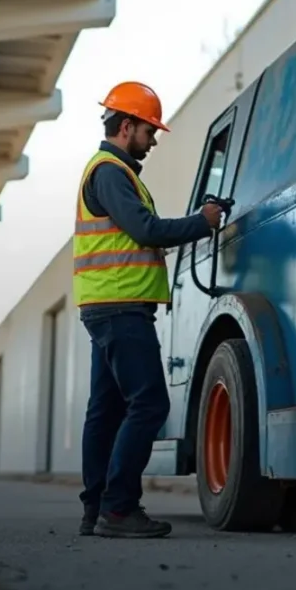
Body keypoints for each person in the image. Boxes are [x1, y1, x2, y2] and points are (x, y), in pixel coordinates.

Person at [73, 81, 223, 539]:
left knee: (106, 410)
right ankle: (118, 509)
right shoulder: (110, 172)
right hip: (120, 306)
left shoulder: (111, 171)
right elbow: (146, 229)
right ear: (126, 126)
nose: (153, 140)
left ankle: (96, 509)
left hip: (107, 304)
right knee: (150, 402)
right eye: (149, 130)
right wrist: (203, 222)